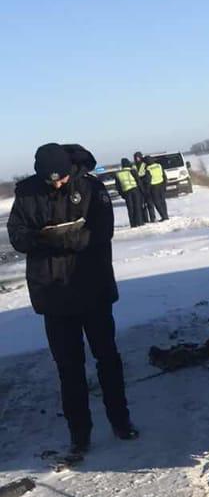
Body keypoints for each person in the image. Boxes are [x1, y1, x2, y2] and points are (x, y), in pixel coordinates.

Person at [6, 143, 138, 457]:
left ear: (70, 170)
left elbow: (101, 231)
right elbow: (17, 235)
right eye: (51, 180)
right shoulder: (26, 194)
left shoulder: (92, 188)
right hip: (53, 295)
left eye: (62, 178)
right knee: (69, 368)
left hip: (92, 288)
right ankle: (80, 434)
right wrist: (41, 238)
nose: (58, 184)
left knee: (107, 358)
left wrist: (62, 239)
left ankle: (121, 421)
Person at [115, 157, 144, 227]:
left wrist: (122, 195)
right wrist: (142, 191)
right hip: (135, 190)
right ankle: (140, 222)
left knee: (130, 208)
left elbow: (118, 186)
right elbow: (138, 181)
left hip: (126, 192)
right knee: (137, 207)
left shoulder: (118, 174)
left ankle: (133, 224)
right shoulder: (132, 171)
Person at [133, 151, 156, 222]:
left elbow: (148, 175)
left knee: (150, 203)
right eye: (136, 157)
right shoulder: (134, 166)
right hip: (139, 187)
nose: (137, 159)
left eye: (138, 157)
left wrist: (147, 185)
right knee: (142, 205)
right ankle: (145, 219)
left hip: (146, 186)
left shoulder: (145, 164)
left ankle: (153, 218)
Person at [145, 156, 169, 221]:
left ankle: (163, 216)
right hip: (161, 184)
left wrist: (147, 189)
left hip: (154, 187)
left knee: (157, 202)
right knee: (163, 201)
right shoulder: (159, 165)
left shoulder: (148, 168)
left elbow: (148, 180)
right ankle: (166, 215)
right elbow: (164, 175)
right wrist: (165, 184)